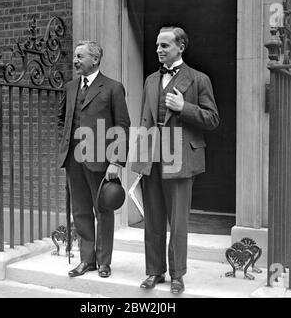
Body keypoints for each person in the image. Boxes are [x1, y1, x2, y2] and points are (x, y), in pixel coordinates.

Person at [131, 26, 219, 294]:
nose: (158, 50)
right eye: (157, 45)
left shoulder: (198, 79)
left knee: (178, 220)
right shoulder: (149, 80)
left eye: (165, 45)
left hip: (180, 156)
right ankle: (154, 271)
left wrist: (185, 108)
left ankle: (177, 275)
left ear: (180, 47)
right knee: (153, 219)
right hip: (152, 156)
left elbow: (212, 119)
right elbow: (145, 120)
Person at [58, 41, 130, 279]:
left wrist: (116, 162)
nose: (75, 61)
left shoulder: (112, 88)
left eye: (80, 56)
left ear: (95, 59)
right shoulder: (69, 87)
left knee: (103, 211)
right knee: (80, 212)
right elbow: (63, 120)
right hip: (73, 160)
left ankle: (103, 262)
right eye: (75, 57)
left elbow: (122, 126)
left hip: (101, 161)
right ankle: (86, 260)